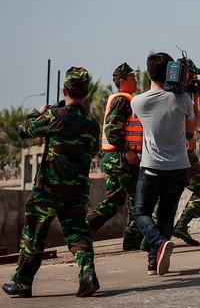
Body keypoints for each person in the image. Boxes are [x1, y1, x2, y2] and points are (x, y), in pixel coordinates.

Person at [3, 67, 101, 298]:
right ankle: (88, 275)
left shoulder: (55, 115)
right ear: (86, 93)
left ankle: (23, 282)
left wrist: (37, 114)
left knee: (34, 232)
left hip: (49, 187)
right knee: (78, 232)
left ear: (64, 89)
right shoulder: (92, 124)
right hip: (77, 189)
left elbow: (23, 131)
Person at [131, 52, 200, 276]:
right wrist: (195, 96)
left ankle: (159, 244)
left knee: (141, 213)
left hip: (151, 168)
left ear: (149, 72)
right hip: (179, 168)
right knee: (166, 216)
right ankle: (154, 262)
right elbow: (193, 126)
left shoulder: (138, 102)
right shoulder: (183, 99)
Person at [86, 63, 144, 251]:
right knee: (140, 198)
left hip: (113, 159)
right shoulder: (122, 101)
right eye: (132, 79)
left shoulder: (123, 99)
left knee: (115, 201)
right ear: (122, 82)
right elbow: (112, 130)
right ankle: (133, 241)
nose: (136, 81)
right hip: (122, 160)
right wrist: (128, 150)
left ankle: (83, 231)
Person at [171, 131, 200, 246]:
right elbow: (176, 116)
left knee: (166, 193)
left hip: (157, 152)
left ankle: (152, 235)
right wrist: (189, 136)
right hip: (181, 151)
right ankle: (182, 224)